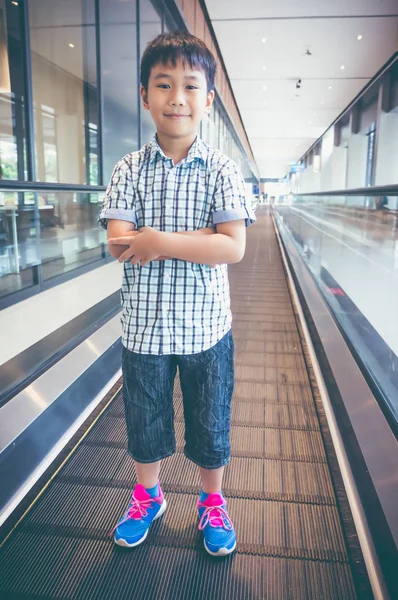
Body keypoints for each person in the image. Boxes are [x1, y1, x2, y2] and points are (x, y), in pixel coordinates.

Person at [99, 31, 256, 557]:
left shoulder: (222, 169)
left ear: (208, 99)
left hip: (207, 328)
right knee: (145, 422)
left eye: (191, 86)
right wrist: (194, 241)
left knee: (210, 421)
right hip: (143, 329)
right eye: (163, 85)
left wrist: (158, 240)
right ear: (145, 94)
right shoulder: (128, 169)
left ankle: (212, 502)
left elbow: (232, 247)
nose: (177, 98)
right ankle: (148, 494)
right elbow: (120, 245)